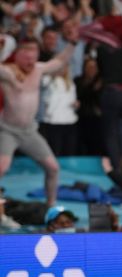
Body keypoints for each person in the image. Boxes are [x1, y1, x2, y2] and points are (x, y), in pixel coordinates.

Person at [0, 30, 78, 206]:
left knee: (53, 168)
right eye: (25, 53)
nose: (29, 58)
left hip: (29, 131)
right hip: (8, 131)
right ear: (17, 54)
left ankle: (51, 207)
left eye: (33, 52)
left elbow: (59, 62)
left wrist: (72, 44)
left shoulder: (38, 69)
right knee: (2, 168)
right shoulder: (8, 72)